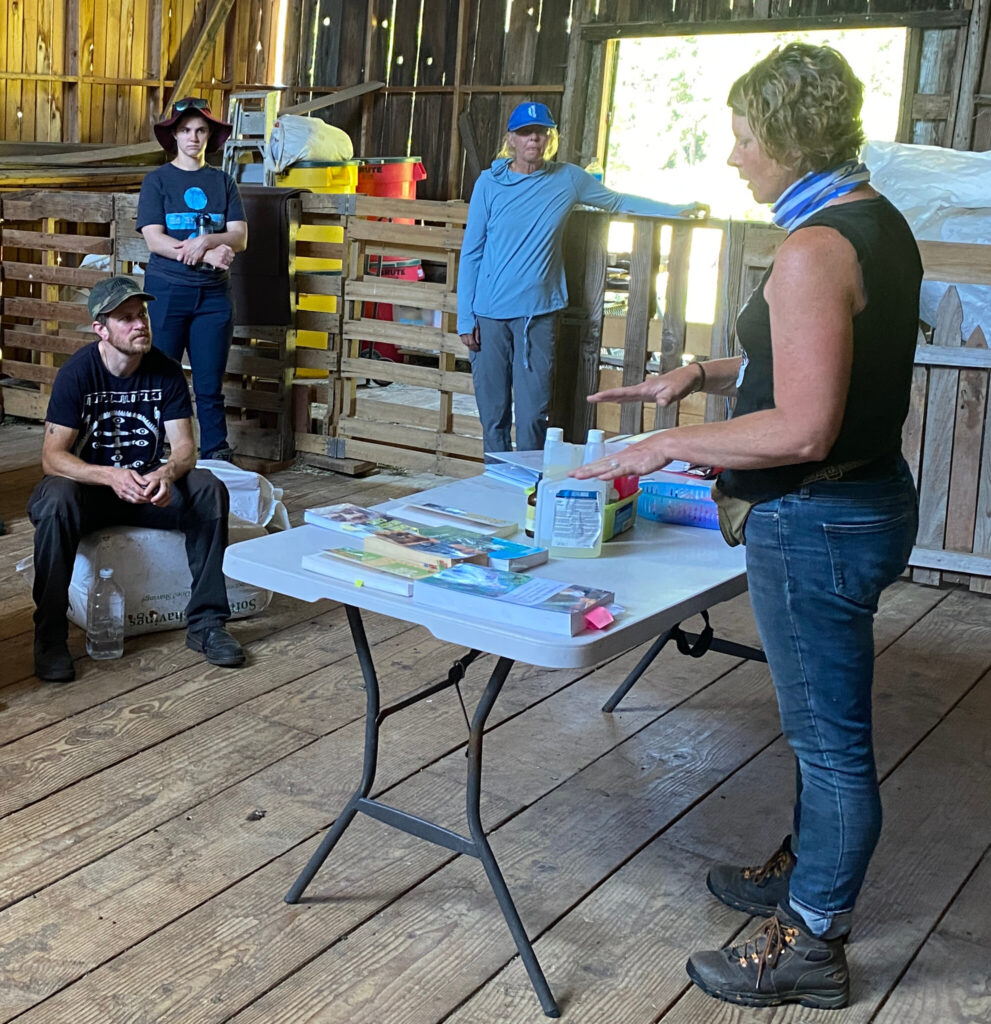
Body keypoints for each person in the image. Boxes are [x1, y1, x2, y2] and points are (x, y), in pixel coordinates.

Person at [572, 43, 921, 1009]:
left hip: (817, 517)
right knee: (822, 731)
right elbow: (821, 360)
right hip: (865, 500)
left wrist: (662, 444)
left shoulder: (813, 249)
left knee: (829, 742)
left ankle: (810, 942)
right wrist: (699, 375)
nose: (731, 157)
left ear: (786, 139)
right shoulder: (872, 220)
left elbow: (802, 425)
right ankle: (804, 873)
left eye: (741, 138)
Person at [457, 100, 708, 456]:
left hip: (538, 314)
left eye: (541, 132)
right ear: (511, 139)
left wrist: (678, 211)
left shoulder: (568, 179)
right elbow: (472, 252)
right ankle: (496, 480)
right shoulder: (489, 183)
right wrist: (465, 317)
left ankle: (533, 483)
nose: (533, 139)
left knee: (533, 415)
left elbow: (617, 201)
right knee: (493, 414)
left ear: (550, 138)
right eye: (525, 133)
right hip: (489, 314)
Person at [28, 276, 246, 684]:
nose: (140, 324)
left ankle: (207, 625)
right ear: (101, 329)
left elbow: (185, 449)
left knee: (208, 489)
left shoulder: (165, 371)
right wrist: (109, 476)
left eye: (141, 314)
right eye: (126, 318)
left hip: (147, 491)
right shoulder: (77, 373)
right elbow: (51, 458)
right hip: (90, 494)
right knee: (56, 497)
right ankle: (50, 637)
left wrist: (166, 473)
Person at [136, 97, 248, 462]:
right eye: (185, 130)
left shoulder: (223, 182)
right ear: (174, 135)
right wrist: (207, 253)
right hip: (167, 292)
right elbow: (155, 240)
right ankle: (153, 451)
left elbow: (240, 236)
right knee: (160, 377)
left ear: (210, 135)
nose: (193, 137)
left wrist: (207, 242)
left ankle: (216, 453)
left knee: (209, 383)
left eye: (200, 130)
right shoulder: (157, 181)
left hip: (213, 297)